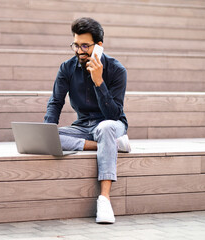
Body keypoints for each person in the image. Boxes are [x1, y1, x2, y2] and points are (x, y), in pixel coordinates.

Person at [44, 17, 131, 224]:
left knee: (106, 128)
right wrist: (47, 131)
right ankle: (109, 146)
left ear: (98, 46)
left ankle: (104, 199)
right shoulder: (67, 68)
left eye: (85, 46)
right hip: (83, 127)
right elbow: (56, 102)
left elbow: (113, 114)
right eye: (76, 44)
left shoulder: (117, 70)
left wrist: (99, 81)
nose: (79, 51)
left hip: (112, 124)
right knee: (48, 137)